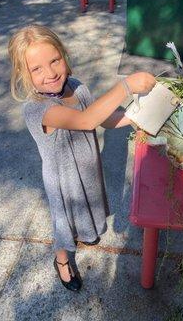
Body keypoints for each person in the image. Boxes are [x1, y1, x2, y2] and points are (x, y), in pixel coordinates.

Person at [8, 25, 155, 292]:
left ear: (64, 55)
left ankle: (86, 234)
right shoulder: (38, 109)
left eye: (54, 60)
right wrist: (126, 86)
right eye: (36, 69)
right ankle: (62, 261)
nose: (50, 73)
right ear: (23, 75)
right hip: (63, 181)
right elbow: (86, 120)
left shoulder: (75, 86)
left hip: (87, 169)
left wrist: (135, 118)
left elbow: (104, 119)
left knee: (88, 208)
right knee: (64, 226)